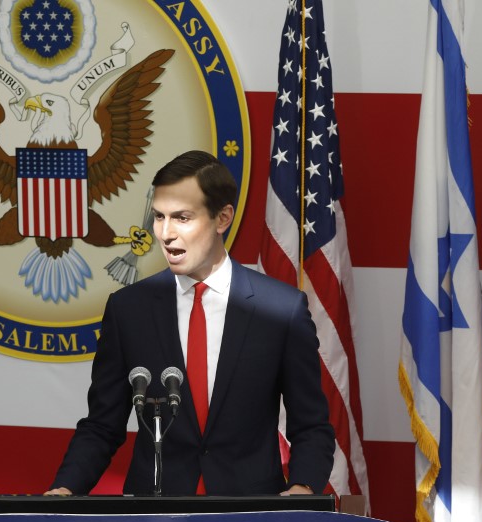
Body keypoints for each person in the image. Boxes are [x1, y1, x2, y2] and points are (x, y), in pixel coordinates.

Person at [48, 150, 334, 496]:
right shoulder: (128, 309)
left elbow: (312, 425)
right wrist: (63, 490)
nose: (165, 234)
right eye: (159, 217)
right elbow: (102, 425)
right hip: (154, 517)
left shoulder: (280, 310)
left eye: (182, 218)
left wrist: (301, 488)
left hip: (248, 516)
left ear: (222, 218)